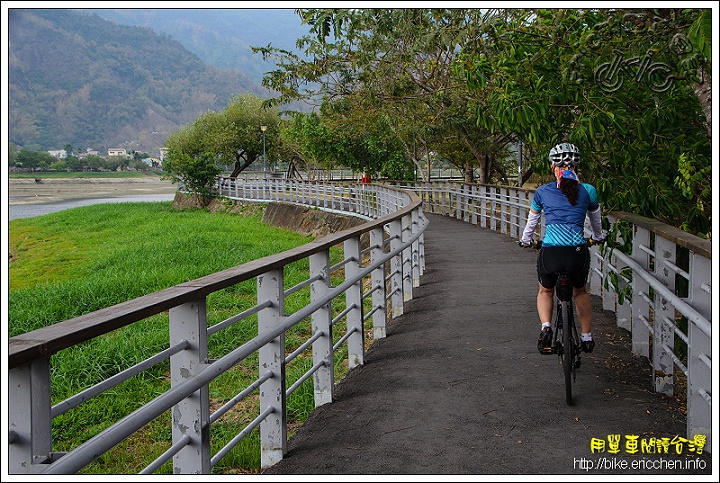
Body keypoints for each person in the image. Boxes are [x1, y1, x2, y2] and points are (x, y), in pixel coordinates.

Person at [518, 142, 604, 354]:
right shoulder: (588, 191)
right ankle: (586, 337)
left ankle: (546, 327)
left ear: (552, 166)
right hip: (576, 253)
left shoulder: (542, 192)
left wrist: (526, 240)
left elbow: (531, 223)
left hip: (551, 253)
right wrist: (598, 237)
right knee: (580, 292)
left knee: (546, 290)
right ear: (577, 167)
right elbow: (596, 224)